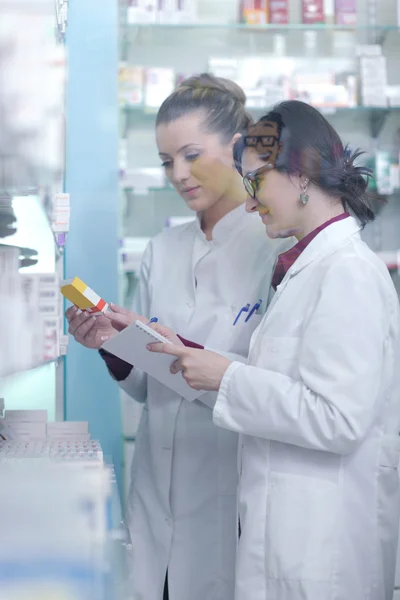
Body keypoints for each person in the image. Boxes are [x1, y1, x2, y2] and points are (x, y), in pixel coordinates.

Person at [148, 100, 400, 600]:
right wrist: (197, 357)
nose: (248, 202)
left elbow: (338, 418)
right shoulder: (307, 268)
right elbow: (289, 381)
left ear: (300, 174)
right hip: (291, 539)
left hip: (323, 550)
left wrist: (226, 377)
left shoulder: (346, 273)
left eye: (256, 182)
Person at [66, 75, 292, 600]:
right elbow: (148, 387)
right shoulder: (162, 250)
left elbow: (274, 387)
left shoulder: (273, 247)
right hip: (154, 498)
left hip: (228, 496)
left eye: (192, 155)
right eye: (167, 161)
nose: (179, 174)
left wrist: (183, 352)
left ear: (238, 147)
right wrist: (111, 344)